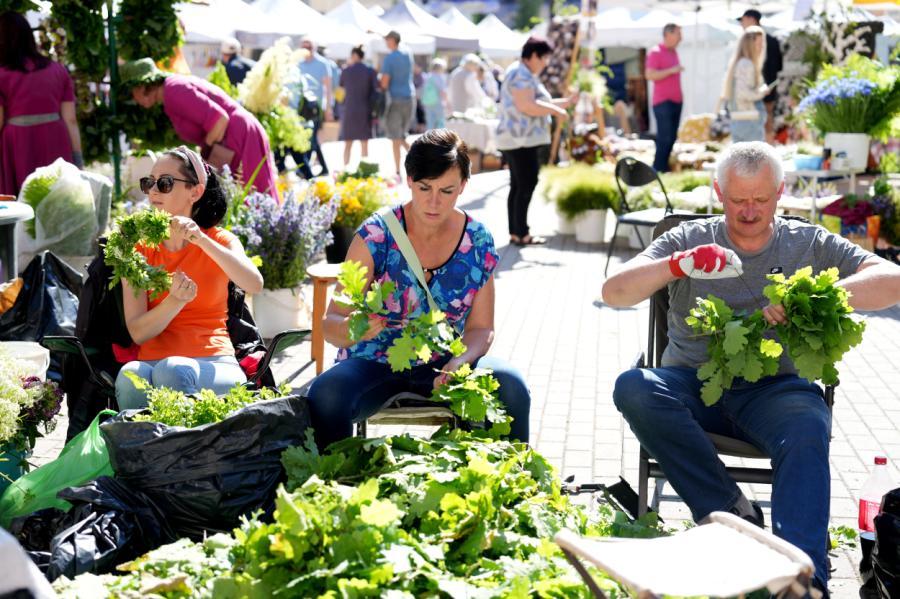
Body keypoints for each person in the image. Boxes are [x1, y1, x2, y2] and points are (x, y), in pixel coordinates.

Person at [601, 141, 900, 595]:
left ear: (780, 192)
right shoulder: (688, 238)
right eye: (738, 200)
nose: (749, 211)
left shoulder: (809, 243)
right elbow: (615, 291)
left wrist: (809, 295)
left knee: (807, 425)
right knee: (634, 386)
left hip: (777, 391)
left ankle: (801, 581)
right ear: (718, 193)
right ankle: (733, 512)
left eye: (761, 199)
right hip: (692, 386)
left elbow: (891, 280)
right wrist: (679, 265)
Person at [307, 129, 531, 448]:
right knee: (326, 394)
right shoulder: (376, 236)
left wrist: (461, 360)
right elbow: (330, 325)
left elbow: (481, 328)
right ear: (409, 179)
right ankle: (330, 487)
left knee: (512, 387)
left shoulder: (477, 240)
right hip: (375, 361)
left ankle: (511, 484)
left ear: (464, 186)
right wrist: (356, 329)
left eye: (447, 190)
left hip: (445, 365)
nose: (434, 202)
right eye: (424, 187)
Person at [115, 146, 264, 408]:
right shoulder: (138, 248)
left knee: (172, 370)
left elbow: (254, 283)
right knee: (129, 377)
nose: (153, 191)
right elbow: (138, 332)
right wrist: (175, 301)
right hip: (152, 362)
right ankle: (140, 449)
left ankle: (182, 448)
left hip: (213, 360)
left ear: (195, 192)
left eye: (165, 183)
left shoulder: (219, 241)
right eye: (149, 183)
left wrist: (201, 241)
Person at [121, 58, 280, 200]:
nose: (134, 99)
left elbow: (219, 120)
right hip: (235, 134)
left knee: (253, 197)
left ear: (142, 86)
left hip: (238, 134)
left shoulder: (173, 90)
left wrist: (203, 161)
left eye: (131, 93)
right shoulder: (170, 92)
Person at [496, 36, 575, 247]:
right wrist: (556, 110)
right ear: (532, 56)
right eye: (544, 58)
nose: (546, 63)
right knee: (526, 183)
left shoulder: (522, 72)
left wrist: (564, 103)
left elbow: (537, 102)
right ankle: (522, 233)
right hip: (520, 138)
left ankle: (517, 232)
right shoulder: (520, 74)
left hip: (518, 138)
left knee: (518, 185)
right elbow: (527, 106)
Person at [0, 11, 83, 196]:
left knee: (20, 210)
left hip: (17, 144)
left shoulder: (1, 75)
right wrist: (77, 159)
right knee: (56, 202)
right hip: (55, 140)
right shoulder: (58, 70)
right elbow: (70, 120)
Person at [738, 9, 783, 143]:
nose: (741, 24)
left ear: (752, 19)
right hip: (762, 92)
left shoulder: (755, 41)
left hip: (759, 93)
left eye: (743, 20)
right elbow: (780, 66)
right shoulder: (772, 40)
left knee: (762, 126)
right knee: (765, 125)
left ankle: (766, 154)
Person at [722, 26, 772, 143]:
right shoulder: (746, 64)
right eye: (759, 44)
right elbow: (744, 93)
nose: (761, 48)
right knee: (753, 159)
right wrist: (762, 92)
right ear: (750, 44)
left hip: (740, 120)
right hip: (749, 120)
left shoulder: (739, 63)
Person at [646, 23, 683, 173]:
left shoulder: (673, 52)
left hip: (676, 101)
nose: (681, 38)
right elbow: (650, 75)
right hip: (662, 102)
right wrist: (671, 71)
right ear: (668, 34)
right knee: (664, 137)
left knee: (672, 137)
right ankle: (657, 170)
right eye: (678, 34)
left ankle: (664, 168)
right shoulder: (655, 52)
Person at [379, 31, 415, 179]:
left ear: (393, 40)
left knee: (396, 137)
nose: (386, 42)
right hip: (410, 97)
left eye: (387, 40)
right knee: (401, 135)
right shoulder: (408, 53)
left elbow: (385, 82)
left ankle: (399, 170)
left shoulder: (390, 58)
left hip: (395, 99)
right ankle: (414, 158)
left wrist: (380, 87)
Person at [298, 37, 332, 176]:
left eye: (309, 47)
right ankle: (322, 167)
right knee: (310, 138)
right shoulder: (298, 64)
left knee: (311, 137)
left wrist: (328, 107)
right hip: (301, 107)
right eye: (304, 47)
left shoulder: (322, 64)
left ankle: (304, 167)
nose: (306, 50)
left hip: (315, 107)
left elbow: (328, 88)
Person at [339, 46, 377, 168]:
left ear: (355, 55)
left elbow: (339, 93)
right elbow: (375, 92)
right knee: (364, 142)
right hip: (364, 110)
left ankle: (345, 169)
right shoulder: (370, 71)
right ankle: (365, 171)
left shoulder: (346, 71)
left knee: (348, 143)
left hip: (349, 109)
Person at [420, 58, 448, 130]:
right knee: (440, 122)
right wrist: (447, 102)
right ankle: (440, 139)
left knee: (430, 122)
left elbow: (422, 90)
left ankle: (429, 139)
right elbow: (442, 91)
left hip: (428, 102)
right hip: (438, 102)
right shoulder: (439, 77)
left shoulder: (427, 76)